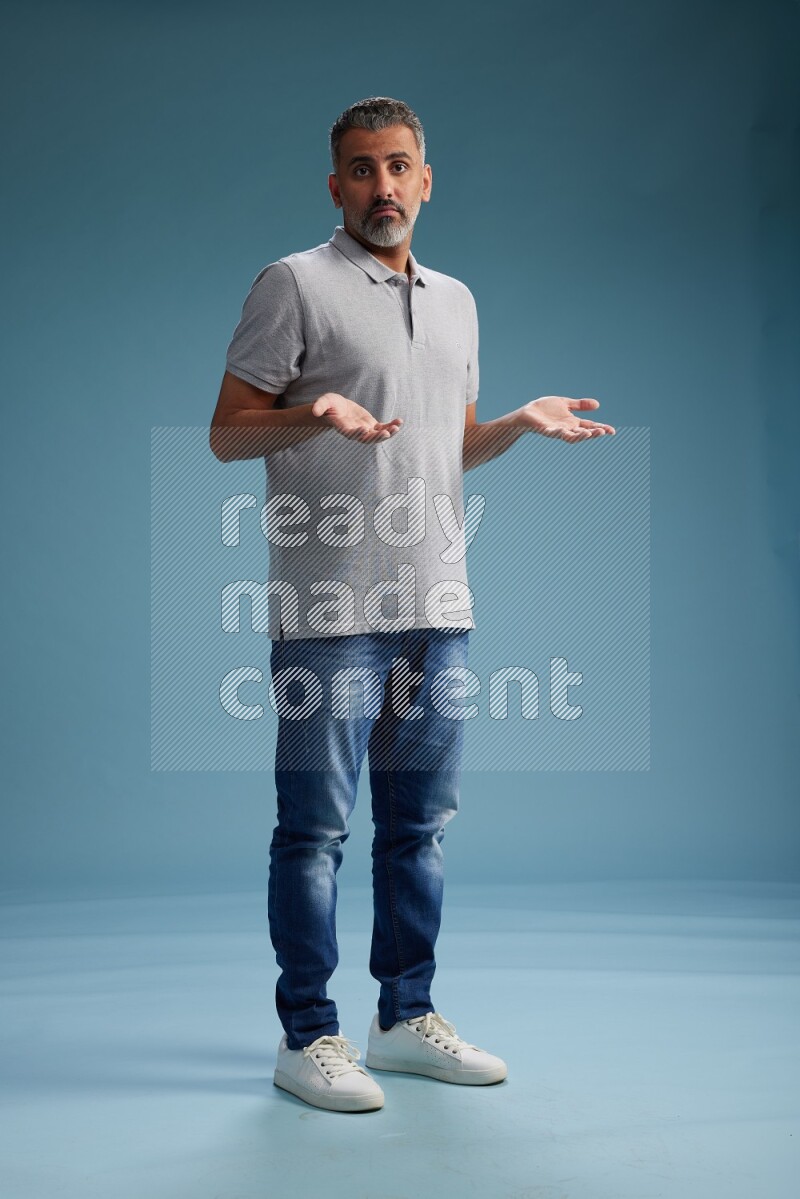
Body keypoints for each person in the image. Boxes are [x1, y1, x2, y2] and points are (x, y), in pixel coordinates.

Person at [210, 97, 615, 1113]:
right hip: (328, 609)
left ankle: (401, 1017)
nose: (381, 187)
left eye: (397, 167)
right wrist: (313, 411)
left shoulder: (457, 301)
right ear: (335, 184)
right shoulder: (293, 284)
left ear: (425, 180)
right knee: (314, 833)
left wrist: (513, 424)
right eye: (359, 169)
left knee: (419, 826)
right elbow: (226, 432)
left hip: (438, 600)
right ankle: (309, 1034)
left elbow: (445, 440)